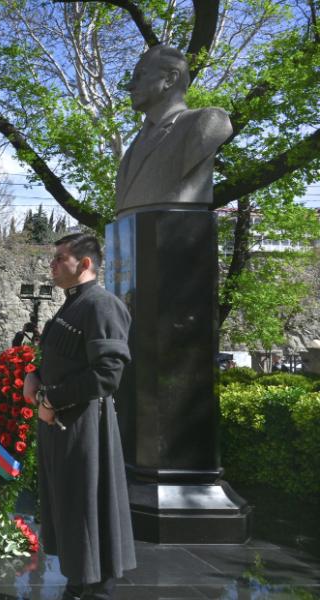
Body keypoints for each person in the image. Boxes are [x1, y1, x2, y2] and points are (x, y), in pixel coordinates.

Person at [24, 233, 136, 600]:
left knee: (87, 505)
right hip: (61, 424)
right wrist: (35, 376)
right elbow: (63, 361)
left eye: (60, 259)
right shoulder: (72, 305)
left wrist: (50, 398)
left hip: (84, 426)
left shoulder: (102, 305)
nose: (52, 265)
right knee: (69, 503)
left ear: (84, 264)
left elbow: (108, 373)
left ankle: (95, 588)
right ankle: (77, 581)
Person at [115, 45, 232, 216]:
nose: (130, 86)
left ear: (170, 79)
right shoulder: (135, 144)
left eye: (140, 76)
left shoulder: (206, 121)